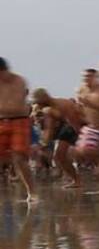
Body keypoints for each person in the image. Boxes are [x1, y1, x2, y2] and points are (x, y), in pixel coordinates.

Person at [31, 88, 84, 188]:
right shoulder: (46, 109)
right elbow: (47, 128)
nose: (38, 105)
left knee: (59, 156)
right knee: (59, 157)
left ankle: (76, 180)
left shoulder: (62, 104)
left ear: (44, 99)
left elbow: (74, 121)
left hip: (74, 127)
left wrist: (80, 135)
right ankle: (75, 179)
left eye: (38, 102)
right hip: (66, 129)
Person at [0, 59, 36, 201]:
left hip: (19, 120)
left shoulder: (19, 81)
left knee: (19, 158)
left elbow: (14, 106)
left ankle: (32, 192)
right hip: (2, 121)